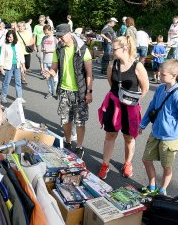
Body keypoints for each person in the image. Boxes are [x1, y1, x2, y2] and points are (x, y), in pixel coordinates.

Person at [97, 36, 149, 179]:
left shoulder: (137, 66)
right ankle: (105, 164)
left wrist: (132, 101)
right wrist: (119, 98)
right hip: (113, 105)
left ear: (125, 48)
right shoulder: (112, 65)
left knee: (129, 138)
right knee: (110, 135)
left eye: (115, 49)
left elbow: (145, 89)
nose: (112, 51)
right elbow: (111, 83)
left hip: (130, 108)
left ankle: (127, 163)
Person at [138, 59, 178, 195]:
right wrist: (143, 124)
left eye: (163, 75)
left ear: (174, 75)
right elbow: (152, 107)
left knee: (166, 166)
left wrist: (171, 118)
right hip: (156, 132)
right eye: (160, 74)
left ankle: (162, 190)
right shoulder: (160, 88)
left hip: (170, 137)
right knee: (146, 159)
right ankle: (152, 186)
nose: (159, 76)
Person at [42, 24, 93, 158]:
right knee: (65, 120)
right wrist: (50, 73)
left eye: (61, 36)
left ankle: (80, 146)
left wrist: (89, 92)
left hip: (80, 92)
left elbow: (89, 74)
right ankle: (68, 142)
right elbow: (54, 68)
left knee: (80, 121)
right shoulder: (58, 49)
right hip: (64, 90)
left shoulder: (82, 49)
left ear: (69, 33)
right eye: (57, 37)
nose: (59, 39)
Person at [0, 30, 26, 104]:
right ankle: (3, 97)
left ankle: (19, 97)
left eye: (10, 37)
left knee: (18, 82)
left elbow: (21, 54)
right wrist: (1, 67)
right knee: (6, 82)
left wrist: (23, 65)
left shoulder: (17, 44)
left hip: (17, 65)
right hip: (8, 66)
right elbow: (2, 56)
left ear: (14, 37)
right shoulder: (5, 44)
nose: (9, 39)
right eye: (8, 37)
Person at [41, 24, 58, 99]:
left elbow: (58, 50)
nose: (46, 34)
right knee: (47, 78)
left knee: (54, 78)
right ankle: (50, 92)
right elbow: (42, 46)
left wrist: (50, 51)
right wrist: (42, 49)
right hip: (45, 60)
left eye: (47, 33)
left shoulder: (55, 39)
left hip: (53, 61)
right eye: (45, 33)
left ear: (50, 30)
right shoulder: (44, 38)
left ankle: (55, 92)